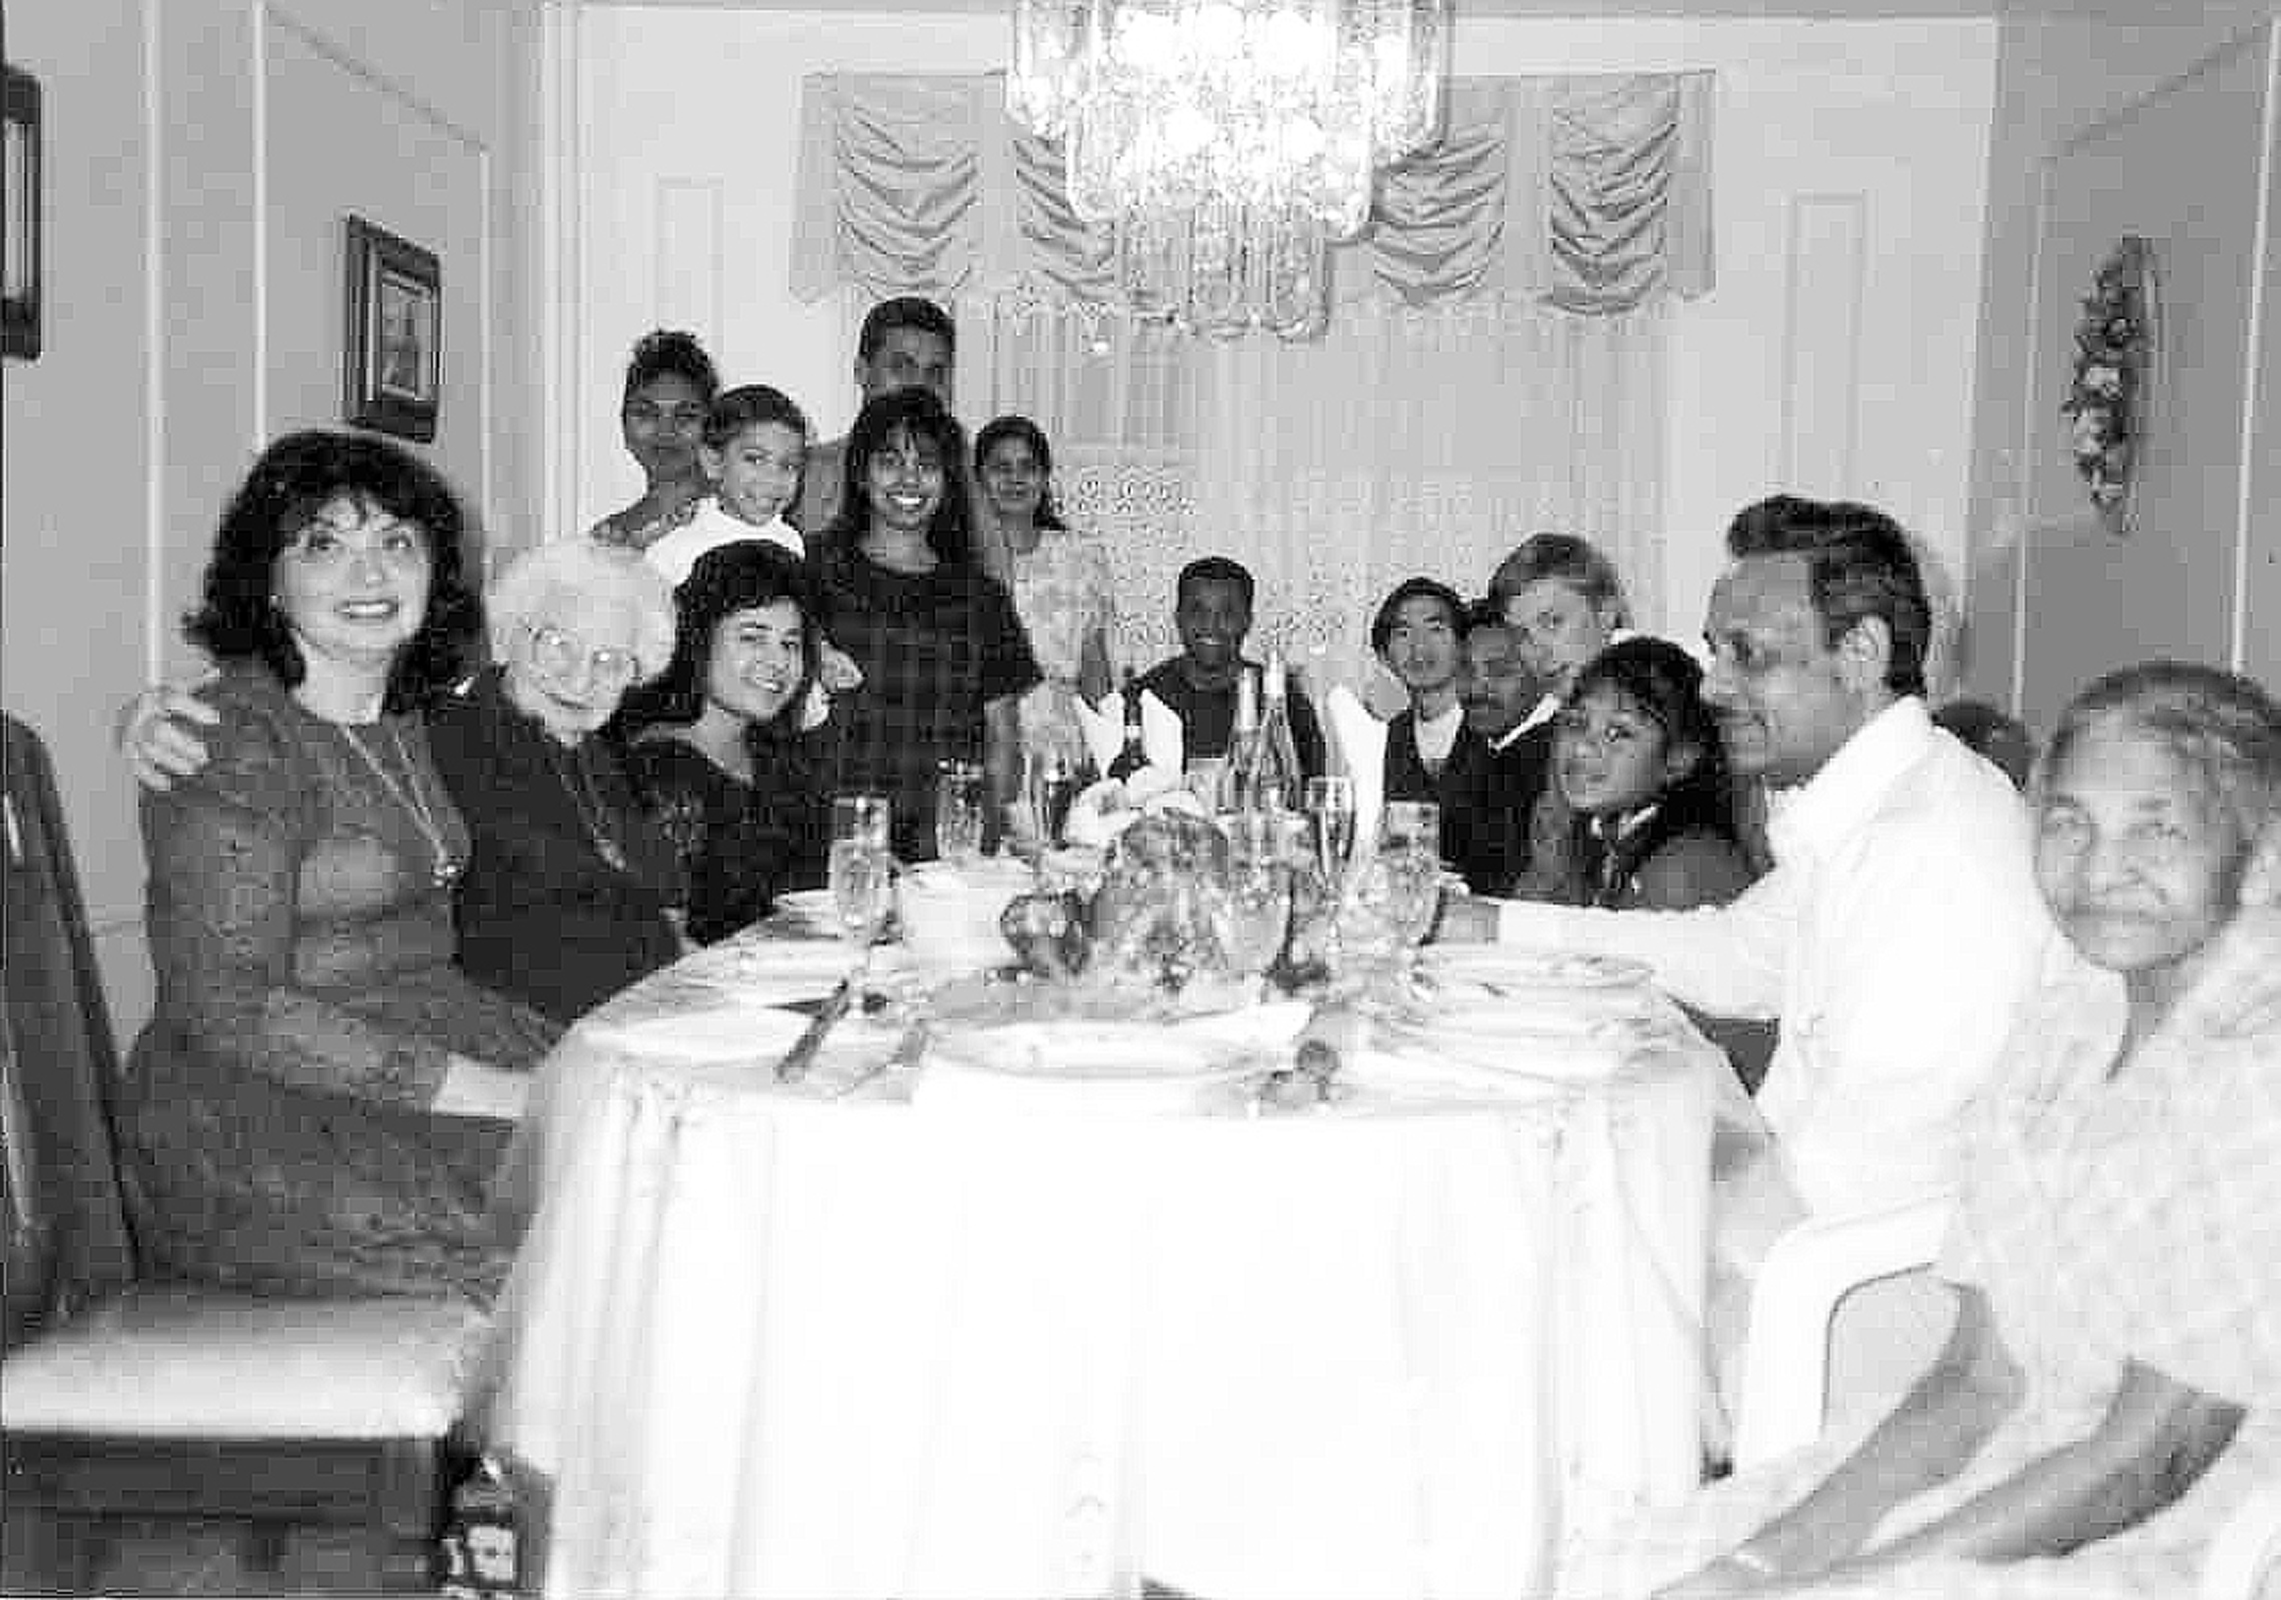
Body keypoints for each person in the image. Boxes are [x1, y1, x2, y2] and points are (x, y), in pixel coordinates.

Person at [1577, 661, 2281, 1600]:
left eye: (2156, 828)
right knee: (1611, 1566)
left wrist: (1834, 1583)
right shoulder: (2065, 1027)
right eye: (2068, 823)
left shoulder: (2256, 1070)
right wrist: (1756, 1564)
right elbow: (1977, 1381)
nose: (2101, 869)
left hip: (2189, 1529)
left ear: (2260, 856)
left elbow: (2147, 1461)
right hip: (2010, 1459)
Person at [1442, 496, 2062, 1233]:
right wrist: (1486, 924)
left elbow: (1843, 1190)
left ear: (1859, 655)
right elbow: (1732, 955)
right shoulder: (1877, 807)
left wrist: (1606, 1221)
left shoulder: (1935, 857)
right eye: (1714, 651)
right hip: (1790, 1223)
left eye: (1748, 655)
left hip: (1845, 1301)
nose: (1710, 687)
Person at [121, 430, 559, 1304]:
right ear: (269, 579)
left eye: (396, 542)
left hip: (430, 1040)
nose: (370, 576)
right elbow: (231, 1007)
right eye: (325, 544)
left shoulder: (404, 716)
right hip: (268, 1111)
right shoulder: (227, 740)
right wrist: (501, 1093)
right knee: (583, 1228)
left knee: (659, 1175)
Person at [429, 536, 687, 1025]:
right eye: (557, 645)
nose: (578, 679)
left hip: (628, 1018)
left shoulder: (594, 754)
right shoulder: (454, 741)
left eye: (610, 661)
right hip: (524, 1034)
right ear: (512, 634)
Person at [809, 387, 1041, 862]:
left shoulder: (982, 598)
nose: (909, 479)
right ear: (860, 473)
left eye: (928, 464)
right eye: (890, 461)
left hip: (941, 852)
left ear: (949, 480)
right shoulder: (811, 571)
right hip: (825, 842)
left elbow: (1002, 739)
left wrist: (981, 843)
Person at [618, 543, 828, 943]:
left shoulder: (780, 759)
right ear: (699, 640)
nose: (778, 662)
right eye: (752, 638)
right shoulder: (660, 769)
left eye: (790, 643)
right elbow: (663, 942)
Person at [1532, 637, 1758, 913]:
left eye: (1618, 733)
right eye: (1576, 723)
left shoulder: (1684, 867)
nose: (1581, 748)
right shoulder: (1603, 837)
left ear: (1679, 759)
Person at [792, 297, 1006, 579]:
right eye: (902, 368)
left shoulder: (967, 475)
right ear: (862, 372)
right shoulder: (805, 473)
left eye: (935, 373)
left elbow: (992, 588)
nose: (919, 385)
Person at [976, 414, 1116, 775]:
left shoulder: (1080, 558)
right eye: (1001, 468)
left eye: (1028, 467)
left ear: (1044, 477)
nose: (1015, 478)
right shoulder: (958, 560)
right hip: (980, 746)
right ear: (978, 478)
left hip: (1060, 752)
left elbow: (1095, 673)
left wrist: (1107, 762)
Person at [1127, 556, 1327, 779]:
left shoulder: (1281, 699)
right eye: (1197, 611)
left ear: (1247, 621)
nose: (1211, 625)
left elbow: (1310, 790)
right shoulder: (1143, 697)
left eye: (1228, 613)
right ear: (1178, 618)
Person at [1372, 577, 1502, 880]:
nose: (1420, 646)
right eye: (1403, 633)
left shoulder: (1494, 726)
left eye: (1436, 629)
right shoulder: (1389, 738)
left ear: (1463, 644)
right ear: (1384, 657)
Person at [642, 383, 810, 585]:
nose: (773, 480)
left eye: (789, 466)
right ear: (713, 462)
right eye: (755, 460)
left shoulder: (790, 541)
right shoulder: (673, 547)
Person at [1444, 599, 1553, 895]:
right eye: (1465, 670)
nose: (1477, 689)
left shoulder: (1558, 761)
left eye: (1501, 671)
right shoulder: (1480, 744)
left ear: (1543, 673)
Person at [1489, 531, 1635, 736]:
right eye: (1521, 636)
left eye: (1552, 622)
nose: (1537, 651)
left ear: (1605, 614)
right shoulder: (1534, 739)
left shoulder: (1686, 698)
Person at [588, 329, 719, 553]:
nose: (665, 432)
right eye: (646, 414)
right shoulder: (611, 535)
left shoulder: (743, 515)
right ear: (624, 424)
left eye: (686, 416)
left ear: (712, 425)